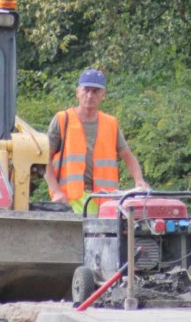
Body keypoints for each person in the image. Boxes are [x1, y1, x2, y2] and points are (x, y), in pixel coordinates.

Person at [42, 69, 149, 214]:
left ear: (103, 95)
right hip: (69, 201)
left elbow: (128, 156)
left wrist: (139, 180)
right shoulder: (63, 119)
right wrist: (56, 192)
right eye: (86, 90)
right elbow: (44, 160)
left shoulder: (110, 123)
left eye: (95, 91)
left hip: (104, 201)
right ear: (77, 92)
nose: (90, 95)